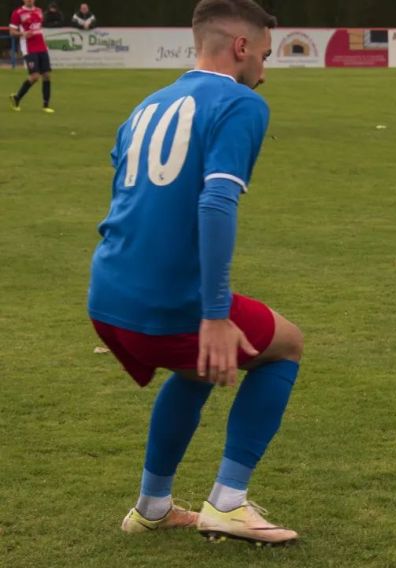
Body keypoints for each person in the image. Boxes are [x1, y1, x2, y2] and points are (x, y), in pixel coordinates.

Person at [88, 0, 303, 546]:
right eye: (263, 54)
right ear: (240, 47)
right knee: (287, 344)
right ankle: (229, 502)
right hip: (168, 303)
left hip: (108, 296)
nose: (264, 67)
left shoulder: (146, 104)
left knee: (198, 370)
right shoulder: (240, 103)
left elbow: (125, 200)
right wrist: (212, 314)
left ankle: (153, 506)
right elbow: (215, 202)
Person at [8, 0, 54, 113]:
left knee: (47, 75)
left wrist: (44, 42)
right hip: (29, 48)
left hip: (42, 47)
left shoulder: (39, 11)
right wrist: (23, 34)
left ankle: (46, 105)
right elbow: (11, 32)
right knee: (35, 77)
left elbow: (39, 29)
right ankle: (17, 97)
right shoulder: (17, 13)